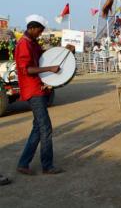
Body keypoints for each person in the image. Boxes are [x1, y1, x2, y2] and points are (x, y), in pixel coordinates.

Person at [15, 15, 74, 175]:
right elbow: (26, 69)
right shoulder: (24, 45)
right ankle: (47, 166)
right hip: (33, 91)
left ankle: (23, 163)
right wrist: (49, 69)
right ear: (32, 28)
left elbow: (46, 57)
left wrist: (65, 51)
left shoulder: (32, 43)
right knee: (45, 128)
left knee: (38, 128)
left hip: (38, 89)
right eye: (39, 31)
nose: (40, 34)